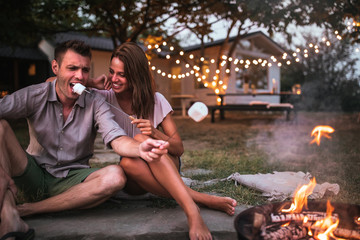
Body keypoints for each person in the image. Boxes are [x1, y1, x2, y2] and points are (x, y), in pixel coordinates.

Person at [0, 40, 169, 240]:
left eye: (85, 70)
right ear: (55, 67)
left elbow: (116, 137)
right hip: (32, 172)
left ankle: (28, 210)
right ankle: (9, 214)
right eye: (72, 68)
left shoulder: (95, 102)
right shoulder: (36, 94)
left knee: (115, 176)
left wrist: (140, 148)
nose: (80, 76)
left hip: (72, 179)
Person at [89, 42, 237, 240]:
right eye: (111, 72)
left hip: (166, 164)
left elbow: (179, 148)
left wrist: (154, 132)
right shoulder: (105, 98)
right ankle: (201, 200)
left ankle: (192, 214)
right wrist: (91, 83)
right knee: (126, 161)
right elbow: (55, 82)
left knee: (142, 137)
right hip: (137, 175)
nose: (114, 79)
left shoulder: (156, 100)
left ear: (135, 75)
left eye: (121, 74)